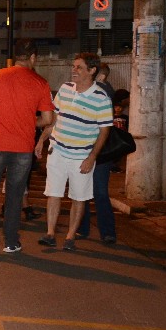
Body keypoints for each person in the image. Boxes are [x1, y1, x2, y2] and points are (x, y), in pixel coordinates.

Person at [0, 45, 54, 253]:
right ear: (32, 57)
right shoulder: (40, 83)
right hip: (23, 148)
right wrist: (28, 121)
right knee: (15, 193)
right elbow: (48, 119)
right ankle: (12, 241)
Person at [35, 53, 113, 251]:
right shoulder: (65, 88)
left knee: (78, 197)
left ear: (92, 70)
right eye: (74, 66)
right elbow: (54, 118)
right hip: (58, 149)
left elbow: (104, 131)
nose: (74, 70)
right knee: (53, 193)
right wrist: (42, 140)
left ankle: (70, 237)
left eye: (79, 67)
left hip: (81, 155)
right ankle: (50, 233)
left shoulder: (101, 98)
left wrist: (92, 157)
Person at [74, 63, 117, 244]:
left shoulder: (103, 91)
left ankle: (107, 232)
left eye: (80, 69)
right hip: (80, 148)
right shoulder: (76, 90)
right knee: (81, 192)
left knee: (99, 192)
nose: (76, 72)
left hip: (100, 151)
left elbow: (105, 127)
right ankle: (82, 228)